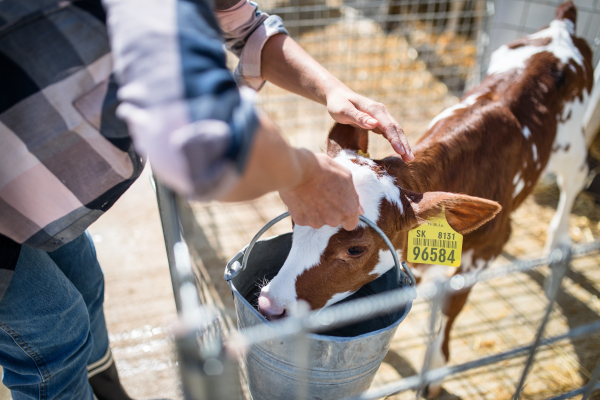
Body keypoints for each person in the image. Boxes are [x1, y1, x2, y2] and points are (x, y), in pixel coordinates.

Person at [0, 0, 413, 399]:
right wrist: (301, 174)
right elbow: (206, 146)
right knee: (54, 327)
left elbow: (245, 25)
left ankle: (107, 393)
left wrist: (331, 88)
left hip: (29, 186)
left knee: (84, 276)